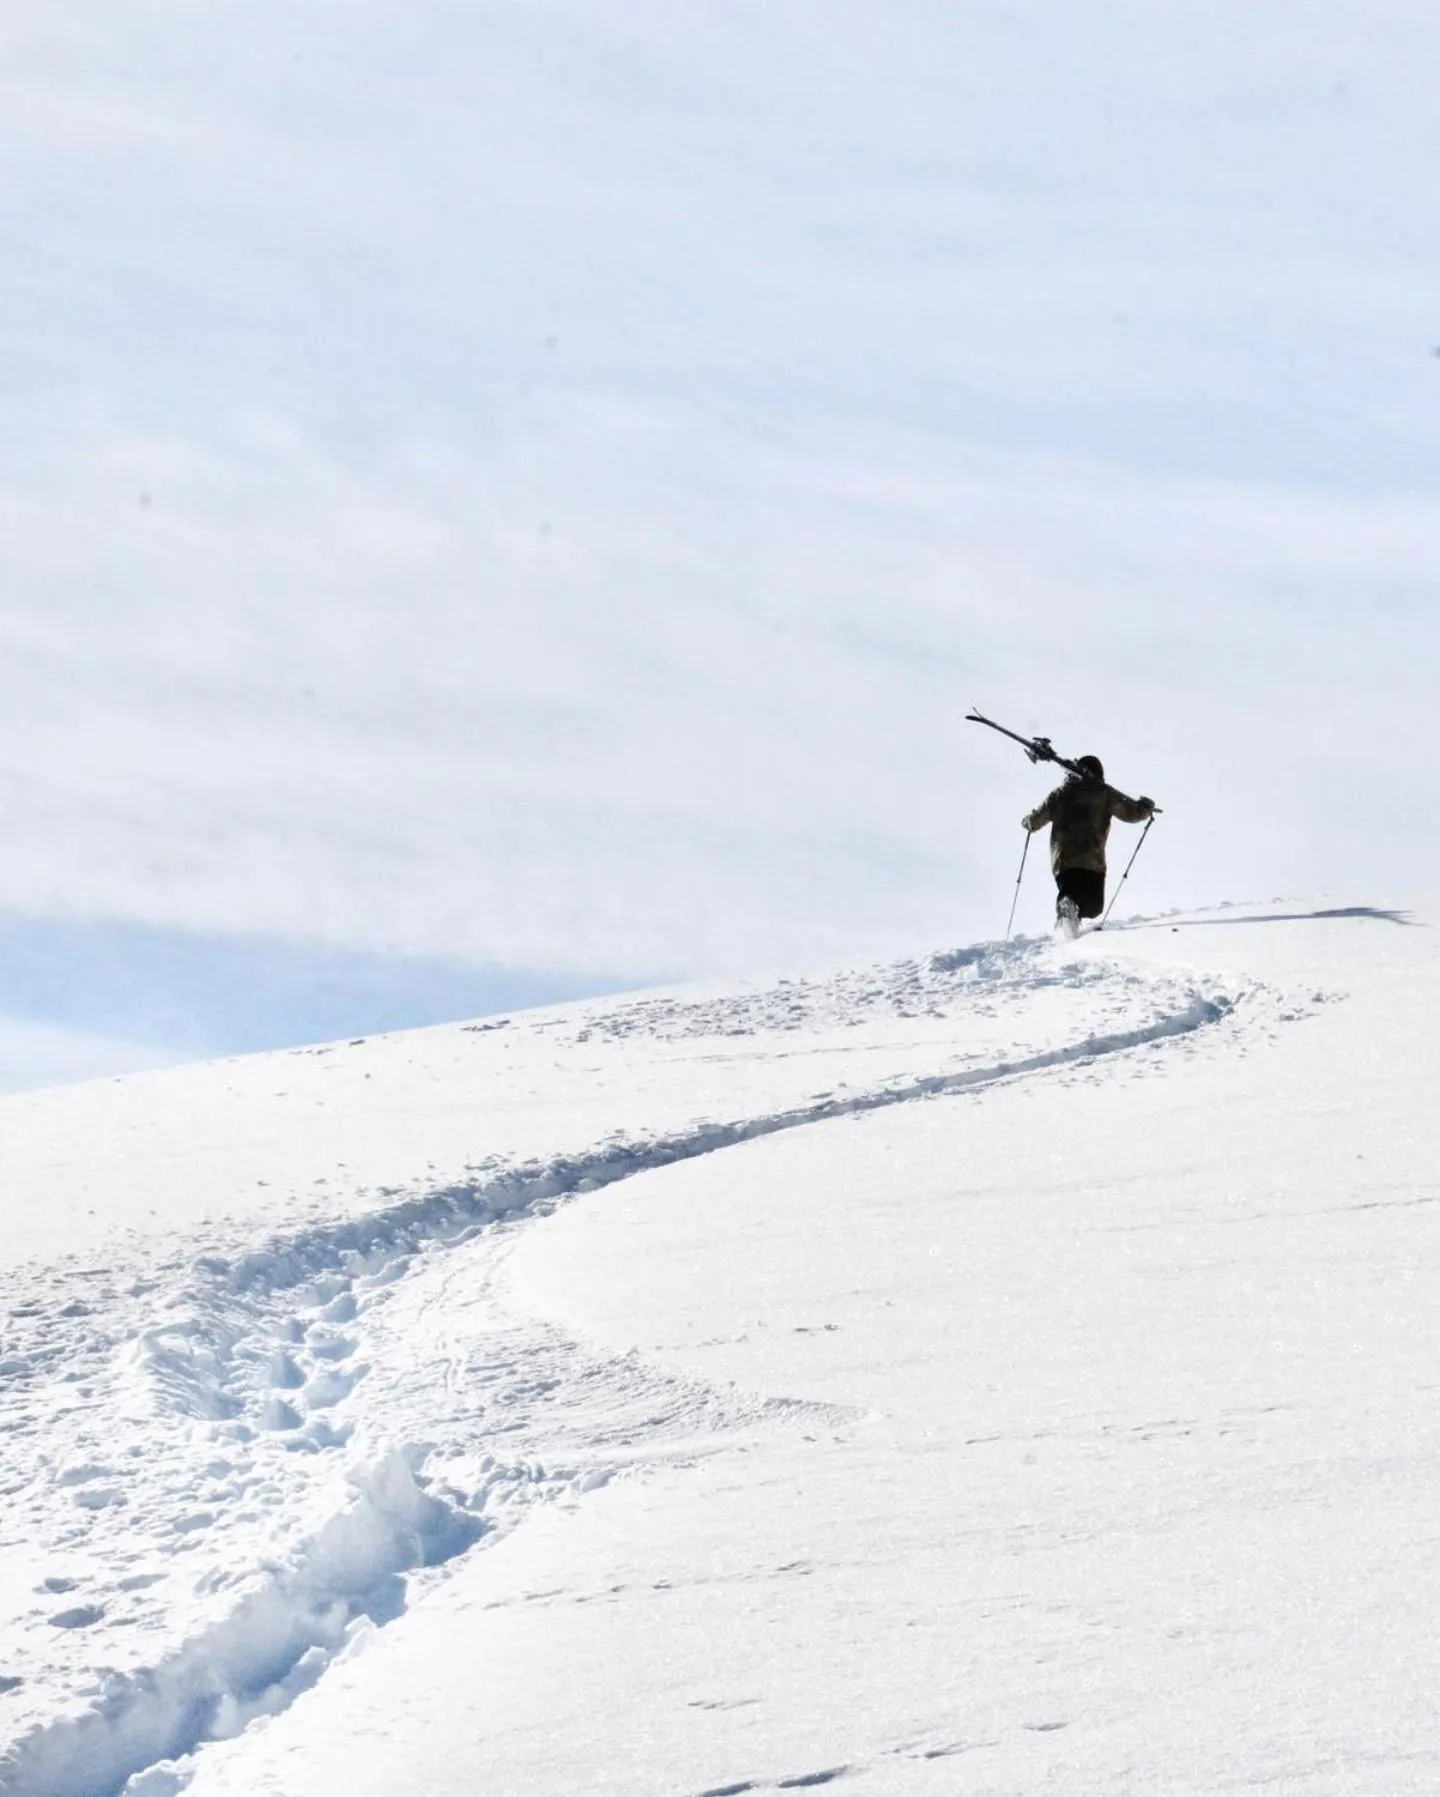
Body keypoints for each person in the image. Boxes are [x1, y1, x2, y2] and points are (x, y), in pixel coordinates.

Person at [1022, 755, 1155, 933]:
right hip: (1092, 859)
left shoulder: (1059, 794)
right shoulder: (1104, 793)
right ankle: (1069, 912)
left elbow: (1035, 821)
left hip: (1064, 860)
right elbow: (1130, 814)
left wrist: (1027, 821)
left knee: (1072, 892)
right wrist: (1146, 807)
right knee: (1094, 906)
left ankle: (1067, 912)